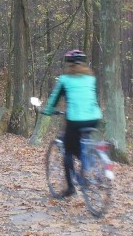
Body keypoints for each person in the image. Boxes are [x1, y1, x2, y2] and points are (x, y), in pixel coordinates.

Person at [42, 49, 102, 196]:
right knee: (80, 146)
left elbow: (54, 99)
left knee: (68, 151)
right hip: (94, 118)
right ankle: (89, 169)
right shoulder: (91, 79)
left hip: (75, 120)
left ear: (68, 65)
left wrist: (47, 110)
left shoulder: (65, 79)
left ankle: (70, 188)